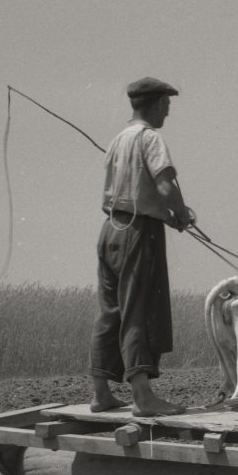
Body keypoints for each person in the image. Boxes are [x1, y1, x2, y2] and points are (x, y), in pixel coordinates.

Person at [89, 77, 195, 417]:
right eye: (166, 104)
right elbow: (164, 185)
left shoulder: (117, 141)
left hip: (110, 232)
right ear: (155, 104)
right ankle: (143, 397)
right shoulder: (151, 139)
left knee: (110, 311)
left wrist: (166, 215)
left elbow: (130, 194)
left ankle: (101, 393)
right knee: (139, 308)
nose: (168, 111)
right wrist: (181, 214)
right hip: (138, 234)